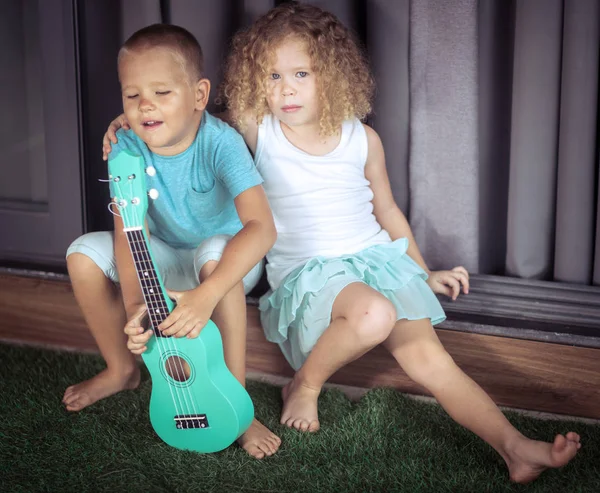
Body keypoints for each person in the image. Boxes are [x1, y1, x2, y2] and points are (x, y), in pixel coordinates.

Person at [103, 3, 580, 482]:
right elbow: (182, 115)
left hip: (374, 261)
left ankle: (514, 448)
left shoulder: (363, 139)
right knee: (375, 314)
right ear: (255, 82)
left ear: (332, 73)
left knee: (432, 360)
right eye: (271, 76)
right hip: (311, 277)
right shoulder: (258, 129)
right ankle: (304, 383)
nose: (285, 88)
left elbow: (388, 211)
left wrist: (422, 269)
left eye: (301, 73)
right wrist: (126, 125)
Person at [66, 24, 281, 459]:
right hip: (159, 259)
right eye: (132, 95)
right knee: (81, 255)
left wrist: (207, 295)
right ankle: (121, 368)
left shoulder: (221, 144)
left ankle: (236, 404)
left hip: (223, 268)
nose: (145, 104)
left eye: (162, 92)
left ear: (199, 96)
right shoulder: (126, 146)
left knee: (214, 252)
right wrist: (134, 310)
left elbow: (262, 228)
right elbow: (131, 235)